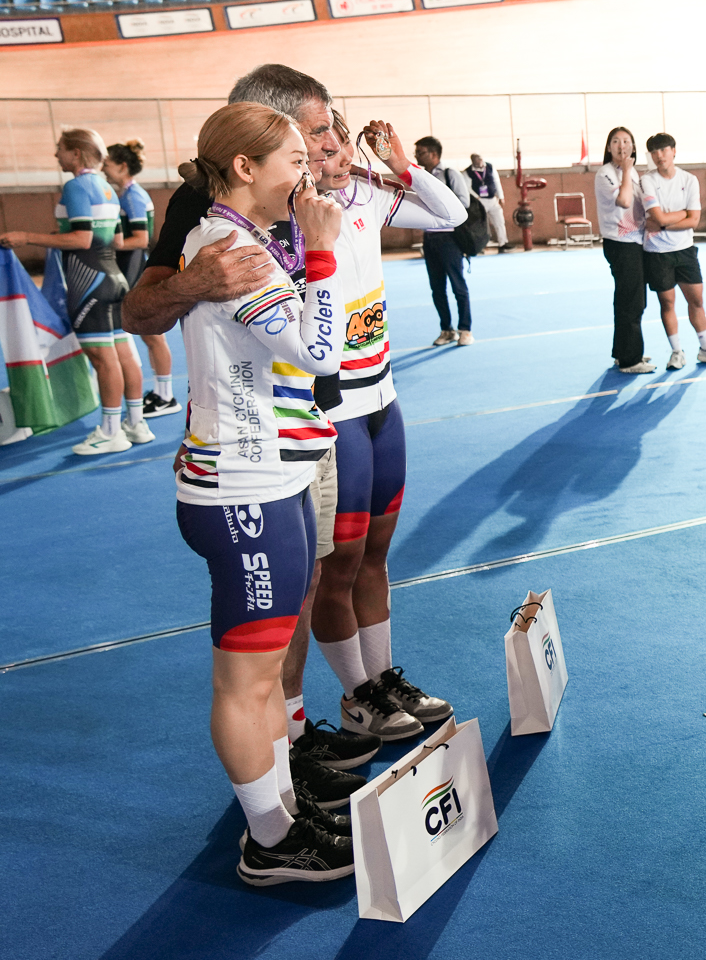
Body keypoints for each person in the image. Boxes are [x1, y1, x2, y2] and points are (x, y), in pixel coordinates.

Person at [127, 65, 463, 759]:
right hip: (264, 444)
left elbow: (443, 216)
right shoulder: (206, 212)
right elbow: (141, 310)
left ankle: (311, 727)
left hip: (330, 419)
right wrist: (194, 281)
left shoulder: (333, 196)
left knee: (332, 572)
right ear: (260, 148)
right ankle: (287, 748)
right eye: (309, 138)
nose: (328, 147)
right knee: (294, 595)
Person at [169, 100, 354, 886]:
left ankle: (278, 805)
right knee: (247, 679)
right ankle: (269, 840)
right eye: (293, 162)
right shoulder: (229, 247)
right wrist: (321, 251)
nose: (305, 175)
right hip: (240, 485)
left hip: (266, 476)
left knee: (271, 663)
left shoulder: (238, 237)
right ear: (245, 169)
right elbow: (320, 348)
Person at [0, 128, 148, 455]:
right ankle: (135, 424)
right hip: (113, 276)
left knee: (103, 357)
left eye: (60, 149)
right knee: (123, 353)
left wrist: (27, 236)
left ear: (76, 153)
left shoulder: (76, 186)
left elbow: (81, 240)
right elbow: (117, 241)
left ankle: (110, 431)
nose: (56, 155)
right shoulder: (109, 189)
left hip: (88, 282)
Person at [103, 139, 179, 419]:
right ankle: (162, 392)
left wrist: (104, 243)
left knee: (152, 335)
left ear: (123, 167)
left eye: (107, 164)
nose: (103, 169)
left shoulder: (133, 197)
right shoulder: (124, 195)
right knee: (149, 337)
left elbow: (141, 239)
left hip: (136, 268)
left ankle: (166, 395)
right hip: (130, 267)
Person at [643, 132, 706, 370]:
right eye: (654, 152)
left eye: (663, 150)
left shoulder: (689, 179)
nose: (659, 156)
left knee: (696, 300)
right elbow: (659, 215)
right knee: (667, 303)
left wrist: (663, 223)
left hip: (685, 251)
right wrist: (680, 214)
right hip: (657, 252)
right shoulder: (647, 181)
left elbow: (693, 221)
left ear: (674, 151)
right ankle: (676, 352)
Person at [596, 127, 655, 373]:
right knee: (631, 301)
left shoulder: (632, 174)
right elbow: (624, 201)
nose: (622, 146)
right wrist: (628, 171)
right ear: (609, 147)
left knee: (632, 300)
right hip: (620, 243)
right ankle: (631, 360)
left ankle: (623, 352)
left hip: (636, 241)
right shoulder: (606, 174)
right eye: (616, 142)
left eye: (627, 141)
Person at [415, 135, 475, 346]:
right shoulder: (421, 176)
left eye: (420, 152)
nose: (416, 156)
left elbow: (464, 202)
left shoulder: (451, 174)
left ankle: (465, 329)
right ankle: (446, 329)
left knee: (458, 285)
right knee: (437, 288)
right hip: (429, 237)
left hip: (449, 236)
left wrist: (439, 207)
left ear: (433, 154)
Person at [465, 152, 506, 251]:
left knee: (499, 221)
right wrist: (476, 197)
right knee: (480, 224)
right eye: (476, 161)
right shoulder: (467, 172)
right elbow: (467, 187)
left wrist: (501, 196)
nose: (479, 163)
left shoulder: (490, 167)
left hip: (492, 199)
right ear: (472, 162)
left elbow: (496, 182)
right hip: (480, 201)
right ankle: (481, 246)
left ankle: (503, 243)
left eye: (480, 160)